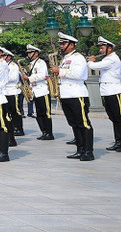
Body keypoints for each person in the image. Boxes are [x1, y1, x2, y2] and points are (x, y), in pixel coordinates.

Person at [51, 32, 94, 161]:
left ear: (71, 45)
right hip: (66, 95)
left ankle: (88, 151)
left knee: (83, 123)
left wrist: (60, 71)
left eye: (64, 44)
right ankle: (80, 149)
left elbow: (80, 75)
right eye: (61, 44)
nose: (61, 46)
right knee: (74, 124)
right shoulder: (65, 59)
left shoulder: (78, 58)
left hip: (77, 94)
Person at [87, 37, 121, 152]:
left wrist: (91, 60)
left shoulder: (112, 59)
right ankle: (119, 142)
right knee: (114, 118)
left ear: (110, 48)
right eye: (100, 48)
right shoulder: (107, 59)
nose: (101, 50)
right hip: (108, 92)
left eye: (102, 48)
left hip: (116, 92)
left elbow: (94, 66)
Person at [23, 44, 53, 140]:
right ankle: (43, 132)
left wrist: (29, 78)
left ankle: (49, 133)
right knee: (39, 114)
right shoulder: (31, 64)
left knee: (46, 113)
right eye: (28, 53)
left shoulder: (41, 63)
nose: (28, 55)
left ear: (36, 53)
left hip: (42, 90)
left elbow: (42, 75)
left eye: (30, 53)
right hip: (35, 91)